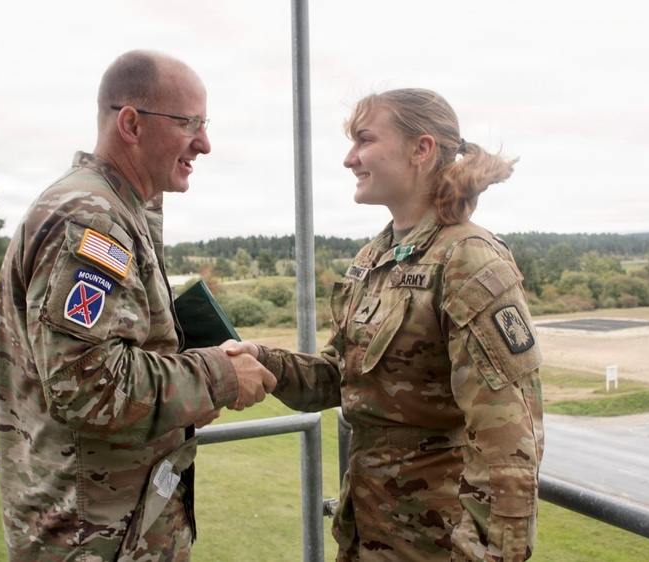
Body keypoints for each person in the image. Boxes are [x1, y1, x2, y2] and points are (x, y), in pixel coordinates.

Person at [227, 88, 544, 561]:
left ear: (422, 149)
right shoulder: (374, 258)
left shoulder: (468, 259)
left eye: (364, 140)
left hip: (435, 543)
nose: (348, 159)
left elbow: (508, 442)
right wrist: (262, 360)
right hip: (368, 534)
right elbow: (339, 378)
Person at [0, 50, 276, 562]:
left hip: (118, 527)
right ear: (130, 123)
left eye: (204, 123)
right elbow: (87, 384)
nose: (205, 143)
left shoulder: (119, 209)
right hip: (92, 538)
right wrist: (218, 376)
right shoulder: (92, 218)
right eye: (189, 123)